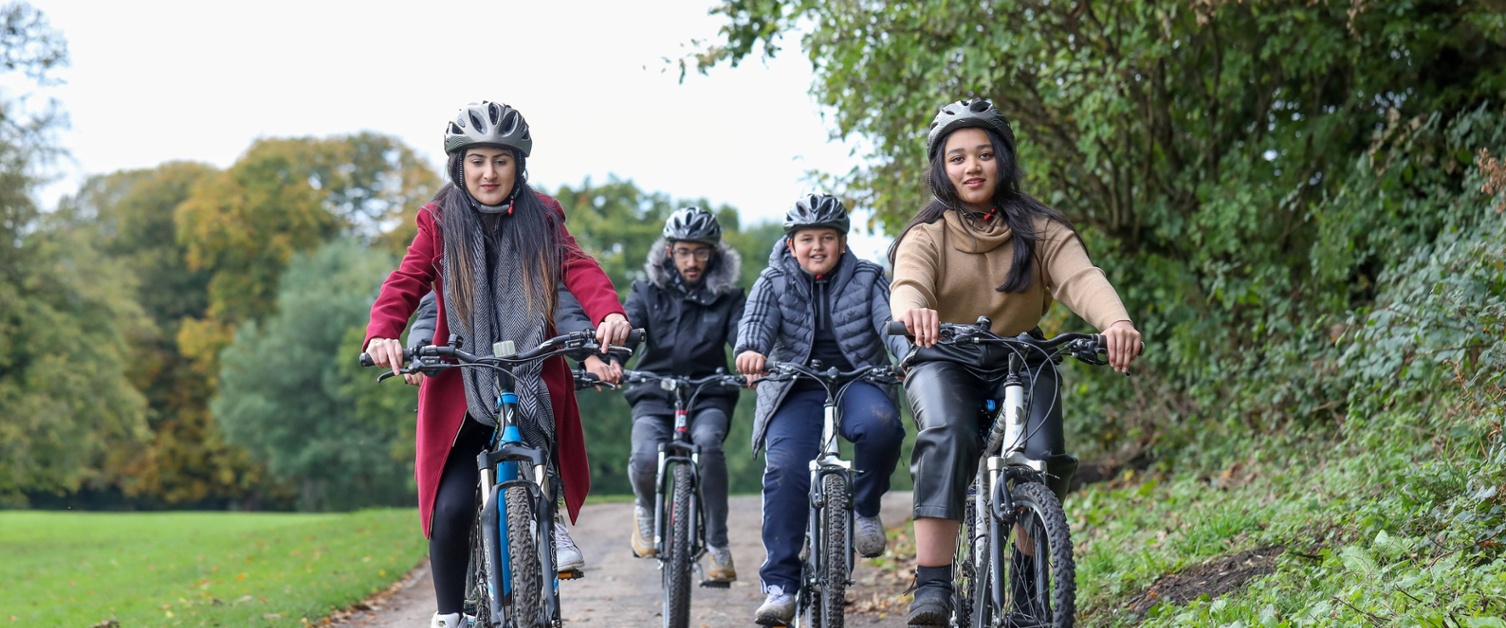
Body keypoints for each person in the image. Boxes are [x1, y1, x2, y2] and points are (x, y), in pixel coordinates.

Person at [362, 101, 631, 628]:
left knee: (539, 436)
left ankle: (543, 516)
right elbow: (407, 280)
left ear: (519, 165)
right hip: (462, 382)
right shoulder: (438, 220)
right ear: (458, 165)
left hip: (528, 368)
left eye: (501, 160)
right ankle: (449, 616)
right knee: (454, 505)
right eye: (477, 160)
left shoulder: (543, 215)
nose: (489, 173)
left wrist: (610, 314)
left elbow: (577, 268)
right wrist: (381, 332)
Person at [889, 98, 1143, 626]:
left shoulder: (1040, 227)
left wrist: (1116, 322)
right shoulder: (927, 233)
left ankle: (1027, 582)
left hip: (1021, 355)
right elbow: (909, 283)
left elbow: (1082, 277)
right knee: (948, 434)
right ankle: (932, 585)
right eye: (957, 158)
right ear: (942, 168)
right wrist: (915, 314)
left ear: (1002, 159)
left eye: (983, 154)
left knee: (1044, 460)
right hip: (945, 356)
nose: (972, 167)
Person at [734, 194, 909, 626]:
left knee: (882, 425)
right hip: (795, 384)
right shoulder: (773, 280)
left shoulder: (868, 278)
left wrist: (907, 356)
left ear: (843, 242)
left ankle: (865, 509)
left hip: (858, 378)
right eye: (806, 238)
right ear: (791, 244)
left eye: (826, 238)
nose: (817, 247)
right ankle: (781, 586)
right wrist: (752, 352)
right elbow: (755, 324)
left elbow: (891, 324)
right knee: (786, 468)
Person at [617, 207, 745, 583]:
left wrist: (751, 361)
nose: (693, 261)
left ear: (714, 253)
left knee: (708, 445)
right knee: (644, 456)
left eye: (701, 252)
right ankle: (644, 508)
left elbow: (742, 339)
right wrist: (609, 361)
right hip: (653, 391)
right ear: (670, 251)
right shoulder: (645, 291)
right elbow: (626, 332)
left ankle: (718, 546)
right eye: (684, 251)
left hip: (708, 391)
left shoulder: (730, 298)